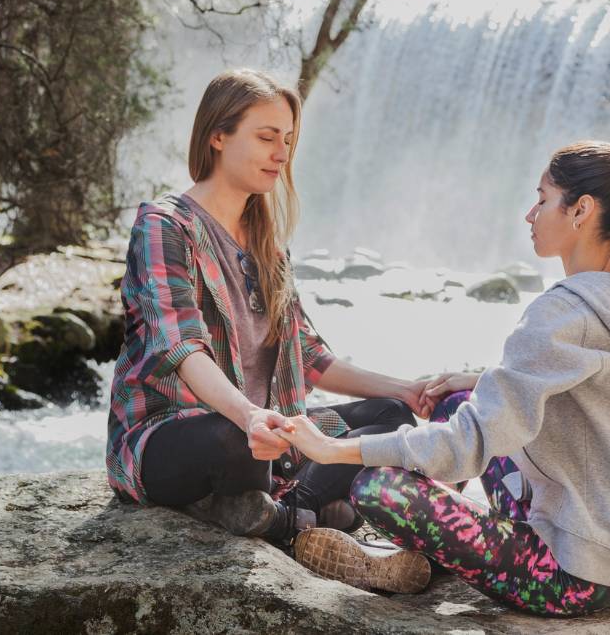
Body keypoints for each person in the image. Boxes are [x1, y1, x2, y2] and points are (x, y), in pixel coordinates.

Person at [277, 141, 610, 614]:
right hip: (606, 542)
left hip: (567, 575)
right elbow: (582, 379)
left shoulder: (560, 312)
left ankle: (417, 558)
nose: (529, 215)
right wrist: (480, 379)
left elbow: (470, 443)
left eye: (542, 200)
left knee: (376, 486)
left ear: (580, 210)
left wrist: (334, 449)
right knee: (455, 400)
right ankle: (419, 557)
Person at [106, 68, 429, 543]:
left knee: (390, 419)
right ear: (218, 135)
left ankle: (288, 511)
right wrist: (249, 415)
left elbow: (311, 355)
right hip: (175, 436)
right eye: (266, 137)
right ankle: (317, 512)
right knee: (234, 440)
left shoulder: (267, 246)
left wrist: (404, 389)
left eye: (288, 140)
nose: (281, 154)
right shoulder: (165, 226)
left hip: (268, 434)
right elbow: (182, 349)